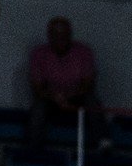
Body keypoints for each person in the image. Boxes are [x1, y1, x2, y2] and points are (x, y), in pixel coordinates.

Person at [26, 15, 102, 146]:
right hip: (50, 99)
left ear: (70, 35)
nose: (60, 38)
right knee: (38, 108)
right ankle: (32, 150)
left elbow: (88, 83)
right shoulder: (39, 54)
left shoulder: (84, 52)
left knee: (93, 102)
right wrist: (54, 97)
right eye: (56, 34)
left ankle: (103, 145)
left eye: (64, 34)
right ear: (49, 36)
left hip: (77, 98)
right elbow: (37, 87)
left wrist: (70, 95)